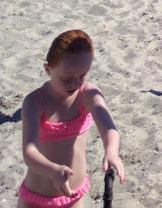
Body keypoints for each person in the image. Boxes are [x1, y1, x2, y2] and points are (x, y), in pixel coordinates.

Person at [18, 30, 124, 208]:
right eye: (66, 78)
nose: (75, 83)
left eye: (82, 75)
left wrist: (111, 151)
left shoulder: (88, 94)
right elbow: (29, 152)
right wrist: (53, 170)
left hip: (74, 196)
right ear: (48, 69)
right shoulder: (35, 102)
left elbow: (109, 129)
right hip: (37, 197)